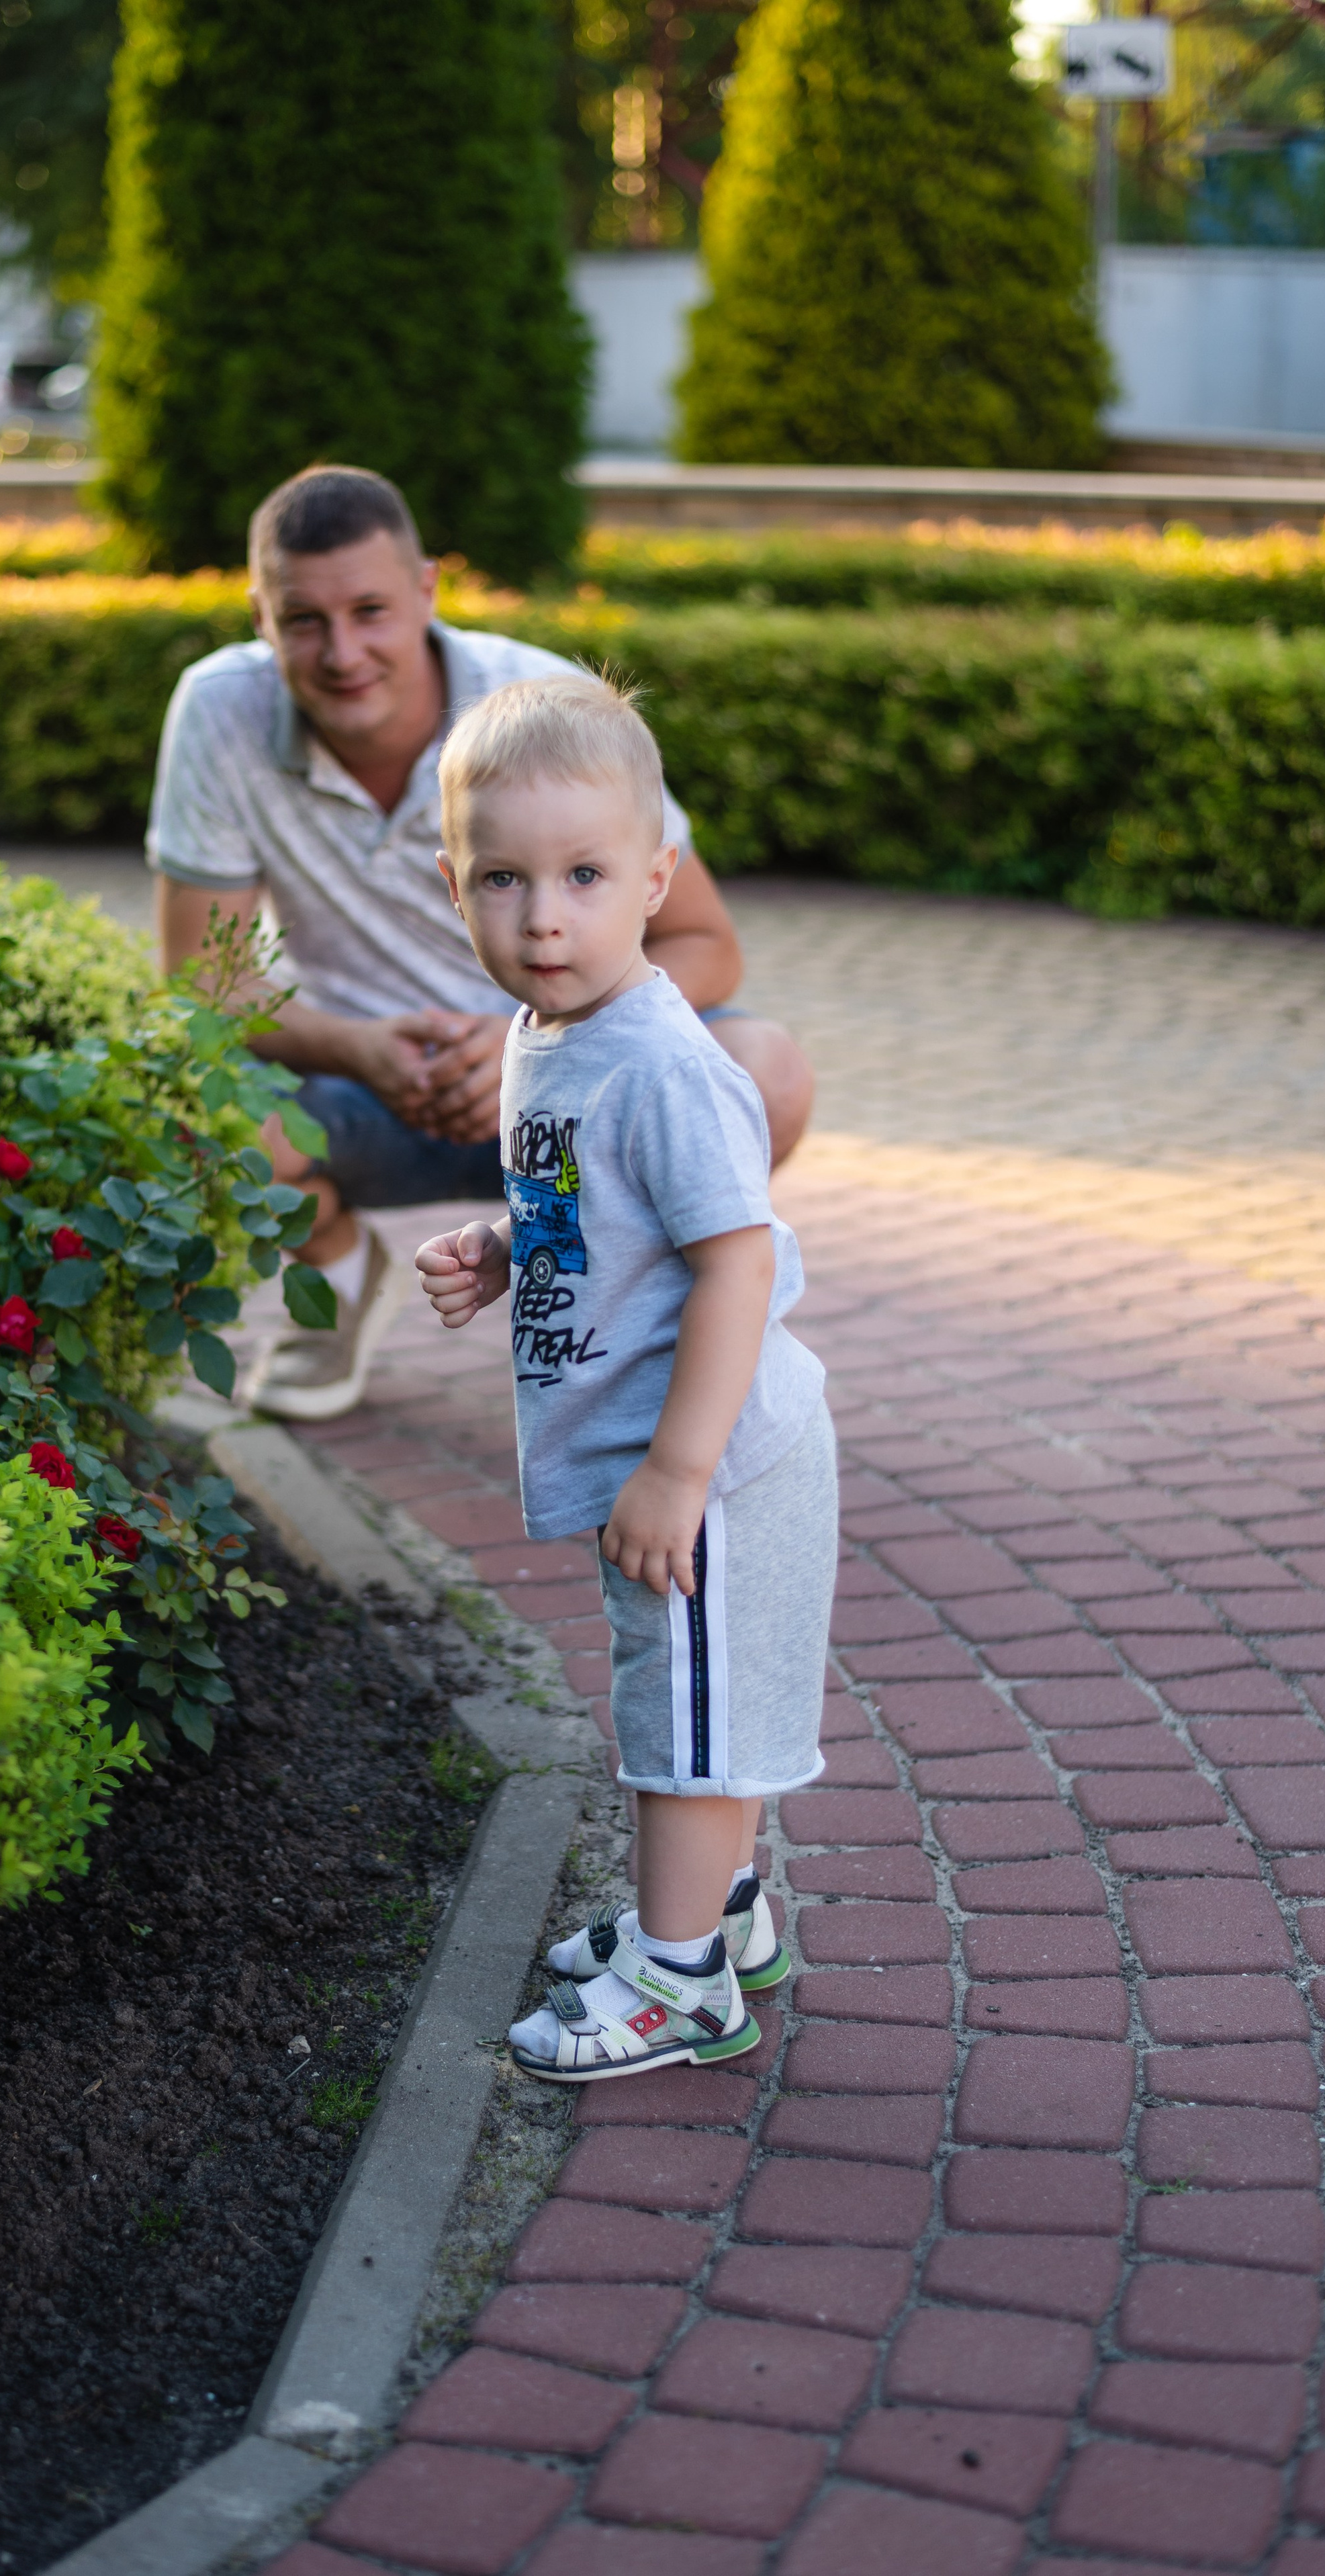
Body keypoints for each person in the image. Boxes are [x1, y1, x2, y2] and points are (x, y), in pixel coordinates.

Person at [148, 463, 815, 1420]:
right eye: (304, 620)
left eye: (372, 610)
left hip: (577, 1091)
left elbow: (706, 940)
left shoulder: (546, 703)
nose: (343, 653)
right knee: (186, 1107)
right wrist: (358, 1049)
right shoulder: (217, 712)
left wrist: (527, 1040)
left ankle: (628, 1303)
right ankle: (335, 1276)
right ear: (260, 614)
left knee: (769, 1071)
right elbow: (203, 983)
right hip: (360, 1089)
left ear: (427, 589)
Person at [415, 674, 837, 2081]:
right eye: (504, 879)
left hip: (710, 1465)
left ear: (656, 877)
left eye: (585, 876)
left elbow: (733, 1264)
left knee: (683, 1731)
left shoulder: (659, 1061)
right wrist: (498, 1247)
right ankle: (717, 1915)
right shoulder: (552, 1038)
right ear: (453, 885)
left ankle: (679, 1987)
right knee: (683, 1703)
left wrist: (674, 1470)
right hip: (656, 1456)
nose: (544, 916)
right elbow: (607, 1219)